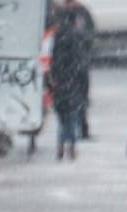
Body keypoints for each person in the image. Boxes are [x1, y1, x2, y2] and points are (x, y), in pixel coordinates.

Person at [50, 9, 91, 161]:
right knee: (72, 117)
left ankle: (61, 144)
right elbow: (81, 65)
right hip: (74, 84)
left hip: (61, 84)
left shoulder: (58, 37)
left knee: (62, 118)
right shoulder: (78, 38)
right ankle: (71, 146)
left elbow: (54, 61)